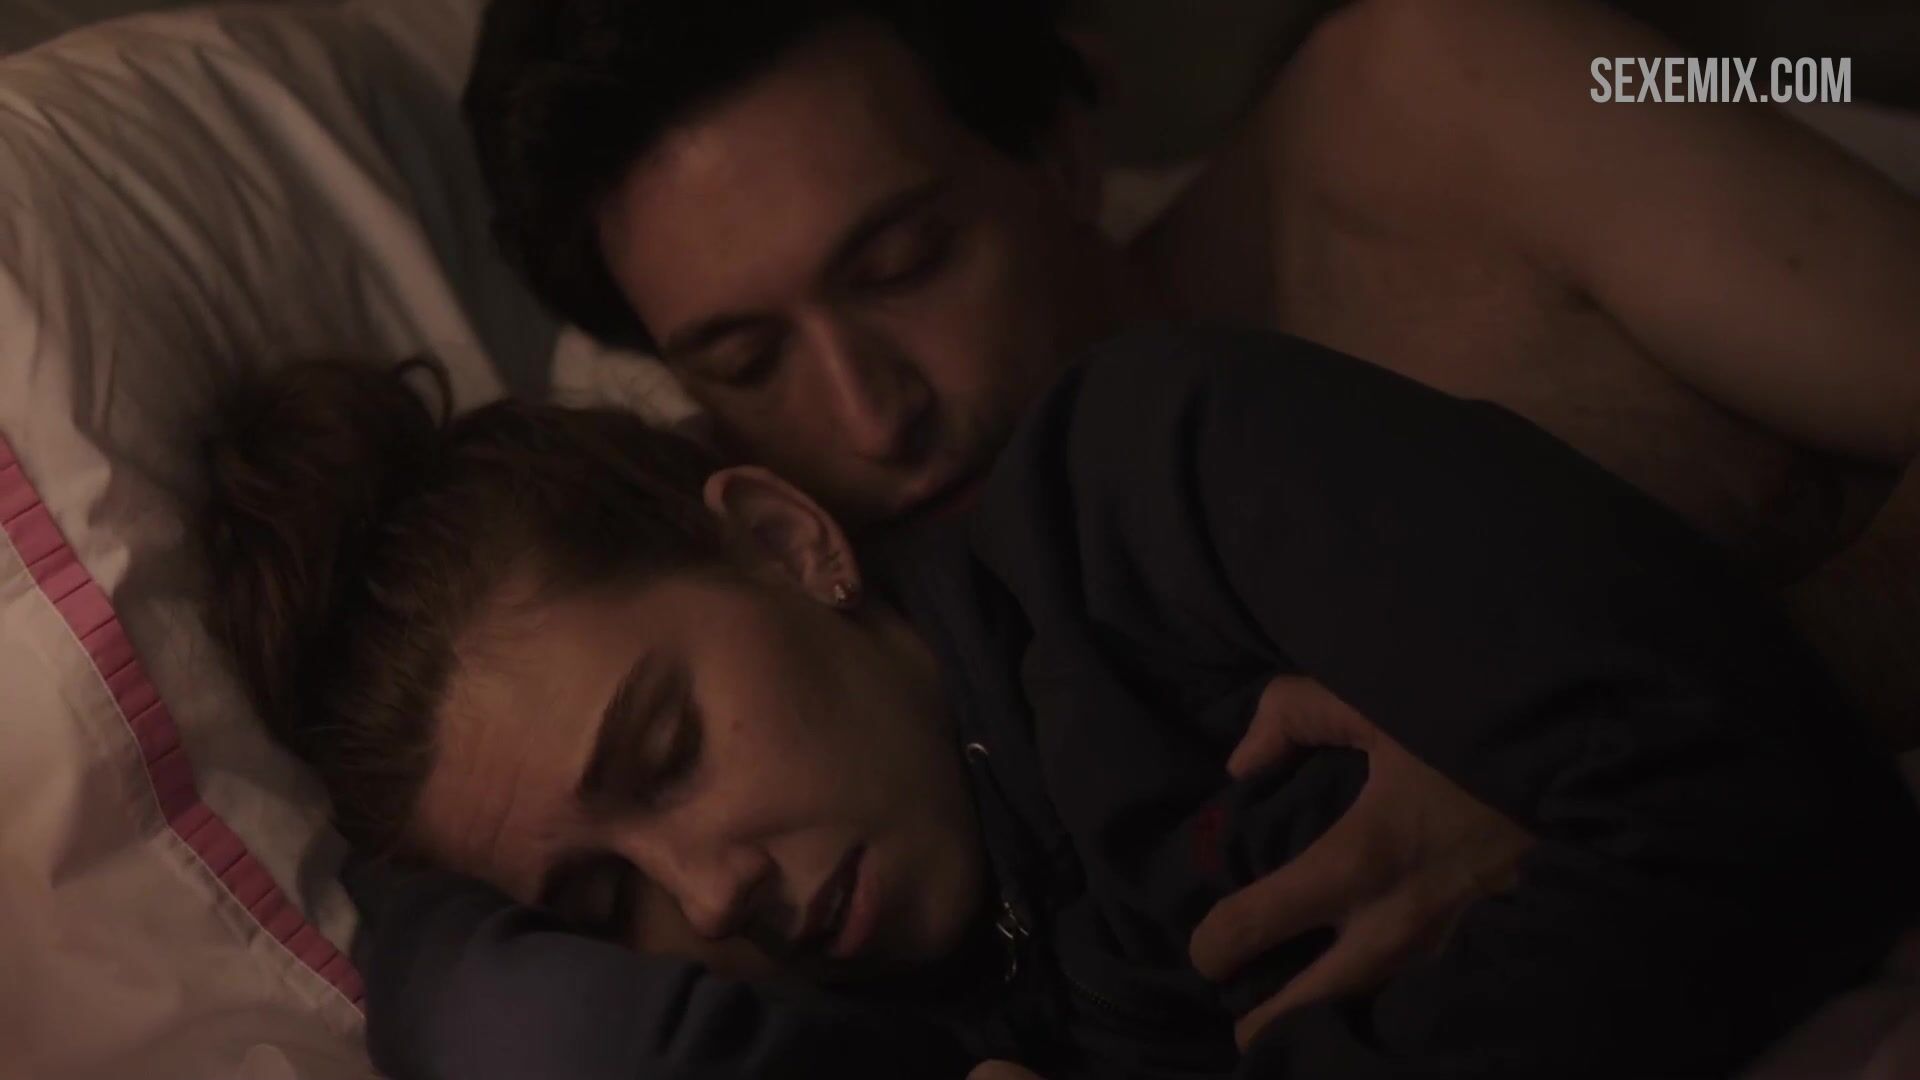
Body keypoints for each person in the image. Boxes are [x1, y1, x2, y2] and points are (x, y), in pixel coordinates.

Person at [460, 0, 1920, 1034]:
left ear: (1063, 145)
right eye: (746, 361)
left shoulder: (1437, 83)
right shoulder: (903, 725)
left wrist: (1589, 730)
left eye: (905, 261)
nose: (866, 416)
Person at [198, 327, 1920, 1079]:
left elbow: (1761, 786)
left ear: (789, 543)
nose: (711, 900)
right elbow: (462, 997)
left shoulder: (1148, 493)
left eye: (669, 751)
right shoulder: (911, 1030)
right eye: (604, 901)